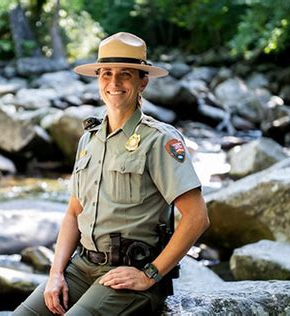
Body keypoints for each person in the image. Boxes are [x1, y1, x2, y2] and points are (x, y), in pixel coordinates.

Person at [13, 32, 210, 315]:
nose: (114, 83)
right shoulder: (89, 139)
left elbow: (197, 217)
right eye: (106, 73)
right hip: (81, 267)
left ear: (143, 81)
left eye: (125, 74)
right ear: (98, 80)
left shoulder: (159, 140)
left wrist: (150, 274)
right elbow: (73, 212)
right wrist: (56, 274)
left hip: (129, 272)